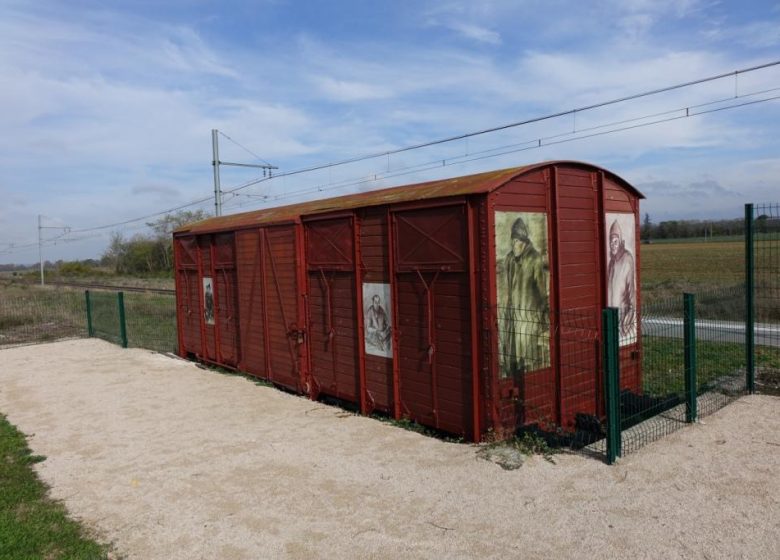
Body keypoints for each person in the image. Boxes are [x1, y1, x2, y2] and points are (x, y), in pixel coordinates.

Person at [500, 217, 549, 377]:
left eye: (516, 241)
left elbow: (542, 292)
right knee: (511, 360)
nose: (513, 245)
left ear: (524, 241)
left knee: (528, 361)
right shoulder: (509, 260)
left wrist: (542, 317)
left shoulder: (534, 259)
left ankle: (529, 389)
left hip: (528, 319)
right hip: (512, 318)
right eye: (512, 241)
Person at [607, 219, 636, 343]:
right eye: (611, 242)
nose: (613, 245)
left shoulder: (627, 259)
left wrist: (627, 322)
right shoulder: (611, 263)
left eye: (615, 241)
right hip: (610, 318)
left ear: (620, 242)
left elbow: (632, 295)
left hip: (622, 320)